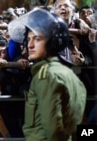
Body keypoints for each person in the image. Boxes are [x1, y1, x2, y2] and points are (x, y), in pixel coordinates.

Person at [8, 8, 87, 141]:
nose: (30, 45)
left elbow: (54, 131)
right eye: (28, 39)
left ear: (53, 41)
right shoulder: (68, 73)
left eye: (37, 39)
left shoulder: (46, 76)